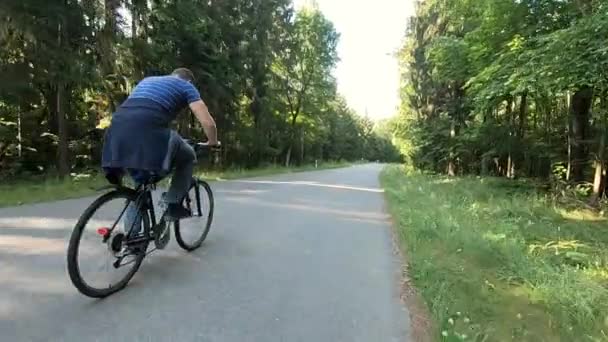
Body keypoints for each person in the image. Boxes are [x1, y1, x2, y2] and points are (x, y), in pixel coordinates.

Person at [101, 68, 218, 222]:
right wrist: (212, 141)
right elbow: (207, 122)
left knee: (140, 185)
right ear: (188, 81)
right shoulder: (186, 86)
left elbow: (137, 110)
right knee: (188, 156)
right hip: (148, 128)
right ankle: (173, 204)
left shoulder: (147, 81)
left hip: (117, 127)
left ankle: (131, 241)